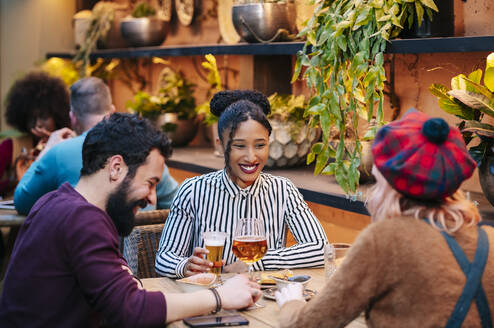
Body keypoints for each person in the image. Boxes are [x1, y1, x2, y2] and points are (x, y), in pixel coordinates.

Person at [0, 113, 261, 327]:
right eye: (149, 183)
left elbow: (122, 289)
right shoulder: (83, 219)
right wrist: (219, 297)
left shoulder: (57, 201)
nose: (150, 198)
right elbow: (131, 310)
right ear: (116, 168)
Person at [275, 109, 494, 327]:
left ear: (390, 183)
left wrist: (291, 302)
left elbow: (307, 324)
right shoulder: (490, 240)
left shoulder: (384, 240)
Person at [155, 90, 328, 278]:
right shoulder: (193, 191)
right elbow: (164, 258)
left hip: (263, 299)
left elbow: (320, 248)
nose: (251, 157)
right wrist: (185, 265)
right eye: (239, 146)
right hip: (210, 298)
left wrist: (257, 263)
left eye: (260, 145)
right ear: (221, 146)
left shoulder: (283, 190)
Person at [14, 77, 178, 215]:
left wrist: (46, 151)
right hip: (139, 249)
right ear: (112, 111)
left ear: (73, 117)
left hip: (81, 246)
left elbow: (22, 202)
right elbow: (178, 203)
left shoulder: (59, 153)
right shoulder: (147, 150)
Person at [0, 71, 71, 194]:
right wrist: (13, 183)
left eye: (43, 117)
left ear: (57, 116)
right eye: (32, 118)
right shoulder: (10, 146)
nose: (38, 124)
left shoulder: (68, 145)